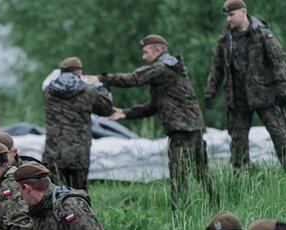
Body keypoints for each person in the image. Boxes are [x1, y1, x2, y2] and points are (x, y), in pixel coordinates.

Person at [87, 35, 215, 209]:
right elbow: (154, 105)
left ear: (159, 50)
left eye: (146, 52)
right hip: (193, 128)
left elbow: (133, 78)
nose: (143, 57)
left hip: (181, 130)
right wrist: (126, 113)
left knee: (179, 177)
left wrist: (102, 79)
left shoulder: (162, 68)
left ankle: (180, 217)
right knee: (202, 173)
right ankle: (218, 205)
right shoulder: (172, 69)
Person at [204, 0, 286, 170]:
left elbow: (278, 62)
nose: (228, 19)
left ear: (243, 12)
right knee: (238, 144)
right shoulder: (225, 38)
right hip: (237, 98)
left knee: (281, 137)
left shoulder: (262, 34)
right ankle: (240, 184)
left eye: (231, 15)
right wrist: (210, 92)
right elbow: (217, 66)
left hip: (265, 95)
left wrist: (282, 90)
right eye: (226, 16)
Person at [43, 56, 113, 190]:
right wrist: (100, 86)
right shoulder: (88, 91)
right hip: (78, 155)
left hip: (53, 155)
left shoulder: (48, 92)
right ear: (78, 72)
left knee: (52, 196)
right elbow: (106, 108)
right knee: (79, 196)